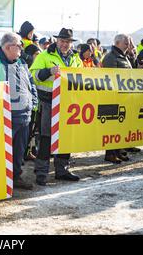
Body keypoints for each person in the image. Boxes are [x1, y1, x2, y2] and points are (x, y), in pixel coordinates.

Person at [0, 32, 37, 190]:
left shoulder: (21, 63)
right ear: (8, 47)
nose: (21, 49)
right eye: (19, 45)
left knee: (19, 151)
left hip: (24, 116)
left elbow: (30, 84)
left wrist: (33, 102)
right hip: (4, 119)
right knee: (1, 152)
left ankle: (15, 177)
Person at [30, 28, 83, 185]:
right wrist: (49, 71)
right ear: (57, 41)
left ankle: (62, 170)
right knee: (46, 138)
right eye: (62, 41)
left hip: (68, 104)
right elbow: (34, 76)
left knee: (66, 137)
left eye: (67, 42)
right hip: (48, 102)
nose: (65, 44)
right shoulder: (44, 56)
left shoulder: (76, 59)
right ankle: (41, 172)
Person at [101, 34, 138, 163]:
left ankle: (117, 151)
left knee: (120, 126)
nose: (128, 46)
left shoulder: (124, 56)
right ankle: (110, 153)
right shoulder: (110, 57)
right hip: (113, 98)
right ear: (117, 43)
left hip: (124, 97)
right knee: (112, 127)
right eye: (126, 43)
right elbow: (110, 77)